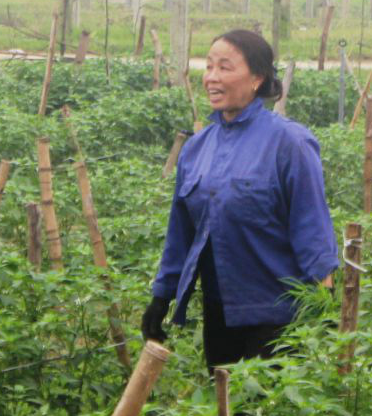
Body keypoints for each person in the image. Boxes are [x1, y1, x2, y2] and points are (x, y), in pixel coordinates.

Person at [143, 29, 338, 370]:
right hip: (220, 314)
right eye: (208, 67)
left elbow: (312, 229)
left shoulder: (289, 143)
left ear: (257, 79)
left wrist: (324, 308)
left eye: (225, 67)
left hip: (278, 317)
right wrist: (163, 295)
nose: (212, 78)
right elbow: (181, 232)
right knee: (225, 414)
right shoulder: (196, 149)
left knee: (270, 415)